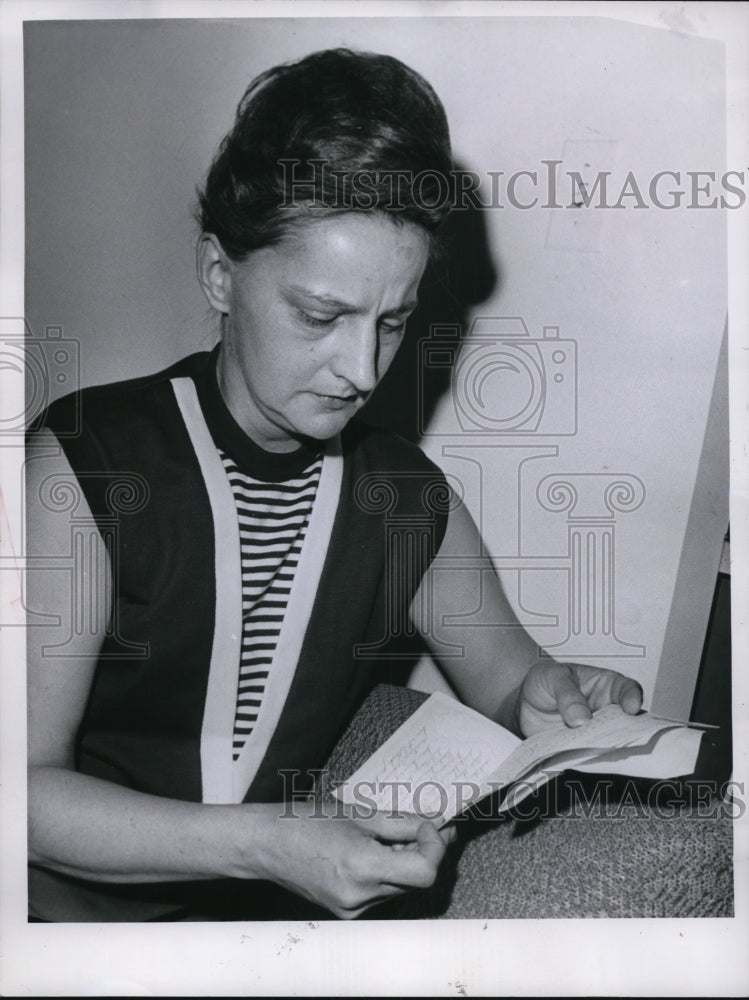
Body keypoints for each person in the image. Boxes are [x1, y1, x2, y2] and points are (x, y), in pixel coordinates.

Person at [26, 48, 643, 922]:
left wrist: (549, 699)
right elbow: (21, 791)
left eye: (392, 322)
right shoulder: (86, 459)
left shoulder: (406, 498)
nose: (361, 370)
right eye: (321, 316)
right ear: (219, 274)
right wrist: (268, 842)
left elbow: (516, 687)